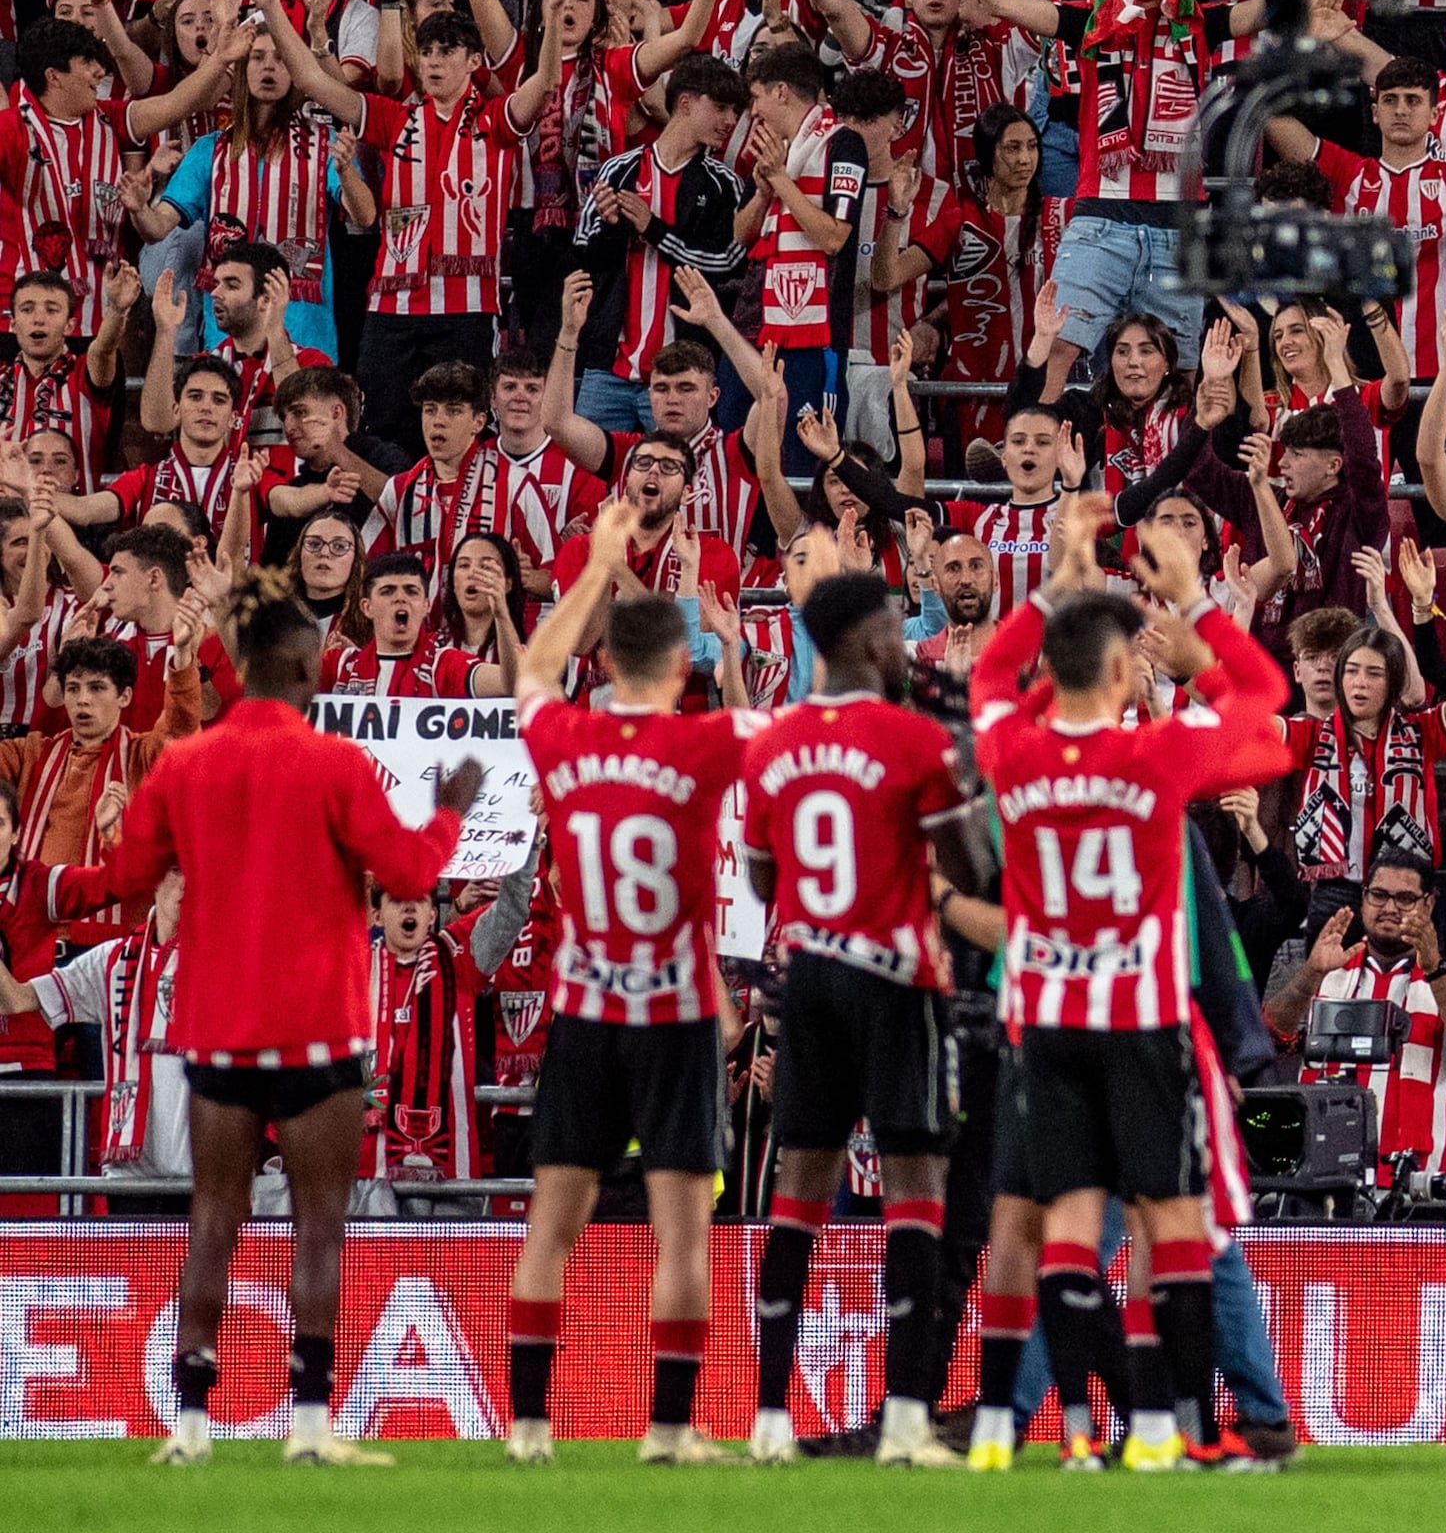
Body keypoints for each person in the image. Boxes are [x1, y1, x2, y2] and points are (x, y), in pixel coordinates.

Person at [52, 578, 479, 1462]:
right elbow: (406, 874)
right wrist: (450, 811)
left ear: (241, 664)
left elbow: (125, 882)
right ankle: (311, 1426)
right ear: (300, 664)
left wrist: (60, 890)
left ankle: (192, 1424)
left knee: (215, 1216)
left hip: (215, 1025)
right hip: (318, 1026)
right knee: (318, 1223)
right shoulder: (334, 763)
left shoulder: (185, 765)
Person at [956, 501, 1297, 1473]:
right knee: (1172, 1223)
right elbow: (1264, 700)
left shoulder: (1008, 752)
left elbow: (987, 676)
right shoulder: (1153, 756)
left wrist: (1059, 583)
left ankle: (1074, 1434)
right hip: (1140, 1022)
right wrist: (1194, 598)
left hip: (1046, 1024)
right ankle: (1169, 1430)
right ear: (1119, 671)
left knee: (1066, 1225)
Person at [496, 543, 763, 1465]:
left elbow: (532, 668)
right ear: (678, 667)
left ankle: (529, 1426)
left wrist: (599, 563)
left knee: (551, 1228)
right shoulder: (700, 743)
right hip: (678, 1011)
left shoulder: (564, 741)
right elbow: (769, 732)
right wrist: (730, 659)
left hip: (585, 1010)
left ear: (603, 664)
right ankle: (668, 1431)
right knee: (681, 1239)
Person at [742, 552, 969, 1464]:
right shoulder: (914, 741)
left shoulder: (775, 741)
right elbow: (971, 868)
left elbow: (764, 876)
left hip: (809, 978)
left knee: (799, 1192)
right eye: (891, 624)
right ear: (859, 636)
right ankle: (909, 1418)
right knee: (917, 1193)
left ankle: (766, 1419)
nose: (902, 638)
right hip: (896, 976)